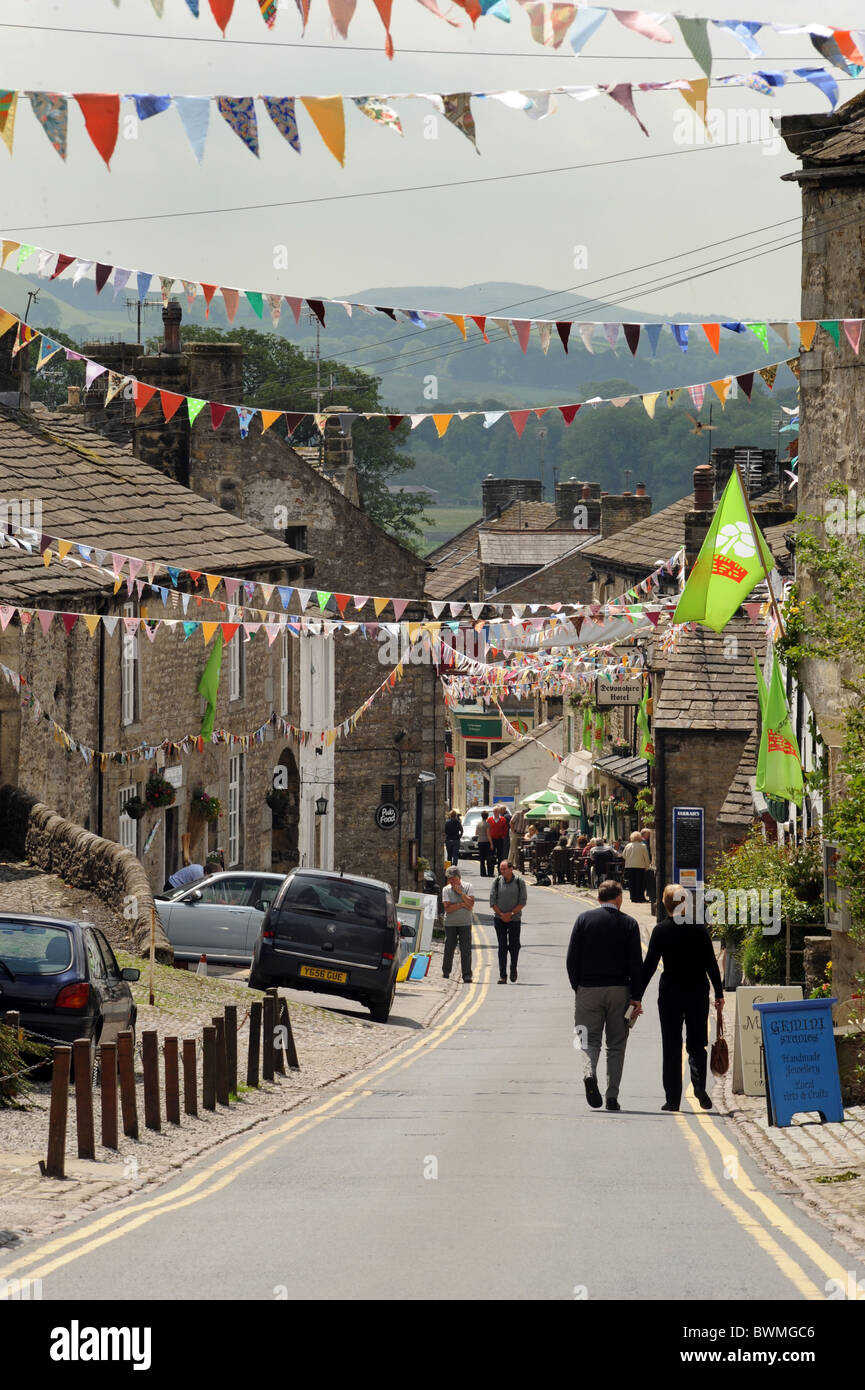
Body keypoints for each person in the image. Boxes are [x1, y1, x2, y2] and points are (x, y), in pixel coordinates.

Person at [640, 883, 725, 1112]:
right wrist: (718, 992)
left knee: (671, 1045)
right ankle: (698, 1085)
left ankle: (672, 1100)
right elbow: (711, 964)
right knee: (697, 1043)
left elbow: (648, 968)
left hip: (670, 994)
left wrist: (636, 996)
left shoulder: (661, 931)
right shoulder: (699, 929)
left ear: (665, 904)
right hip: (697, 991)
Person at [566, 880, 644, 1111]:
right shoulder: (629, 924)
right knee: (616, 1044)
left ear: (598, 898)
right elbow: (636, 964)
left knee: (587, 1039)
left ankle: (589, 1074)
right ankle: (612, 1096)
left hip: (587, 989)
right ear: (618, 899)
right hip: (620, 991)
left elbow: (572, 959)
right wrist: (636, 996)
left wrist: (578, 987)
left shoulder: (583, 920)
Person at [490, 860, 527, 983]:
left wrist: (510, 914)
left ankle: (513, 968)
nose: (502, 871)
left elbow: (522, 901)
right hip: (499, 919)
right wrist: (501, 914)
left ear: (511, 869)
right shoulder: (496, 882)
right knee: (502, 946)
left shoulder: (519, 882)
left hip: (514, 919)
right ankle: (502, 975)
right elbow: (492, 901)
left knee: (514, 945)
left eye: (504, 868)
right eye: (501, 869)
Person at [441, 865, 475, 983]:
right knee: (449, 947)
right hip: (450, 923)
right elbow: (447, 908)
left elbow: (470, 904)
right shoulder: (446, 889)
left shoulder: (468, 886)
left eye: (452, 878)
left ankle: (467, 975)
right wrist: (461, 904)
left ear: (458, 877)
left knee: (466, 949)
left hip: (465, 922)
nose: (450, 881)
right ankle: (446, 971)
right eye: (448, 878)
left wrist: (460, 893)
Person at [623, 830, 651, 904]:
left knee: (632, 883)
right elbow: (646, 857)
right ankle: (640, 898)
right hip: (640, 867)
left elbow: (624, 855)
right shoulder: (643, 846)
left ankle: (633, 897)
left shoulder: (628, 846)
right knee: (640, 883)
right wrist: (647, 866)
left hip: (629, 867)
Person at [476, 810, 494, 877]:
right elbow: (488, 834)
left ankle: (482, 873)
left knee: (482, 858)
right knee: (488, 858)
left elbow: (476, 833)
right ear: (487, 816)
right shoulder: (487, 824)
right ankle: (489, 872)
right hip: (486, 842)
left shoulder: (478, 824)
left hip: (480, 841)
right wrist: (491, 843)